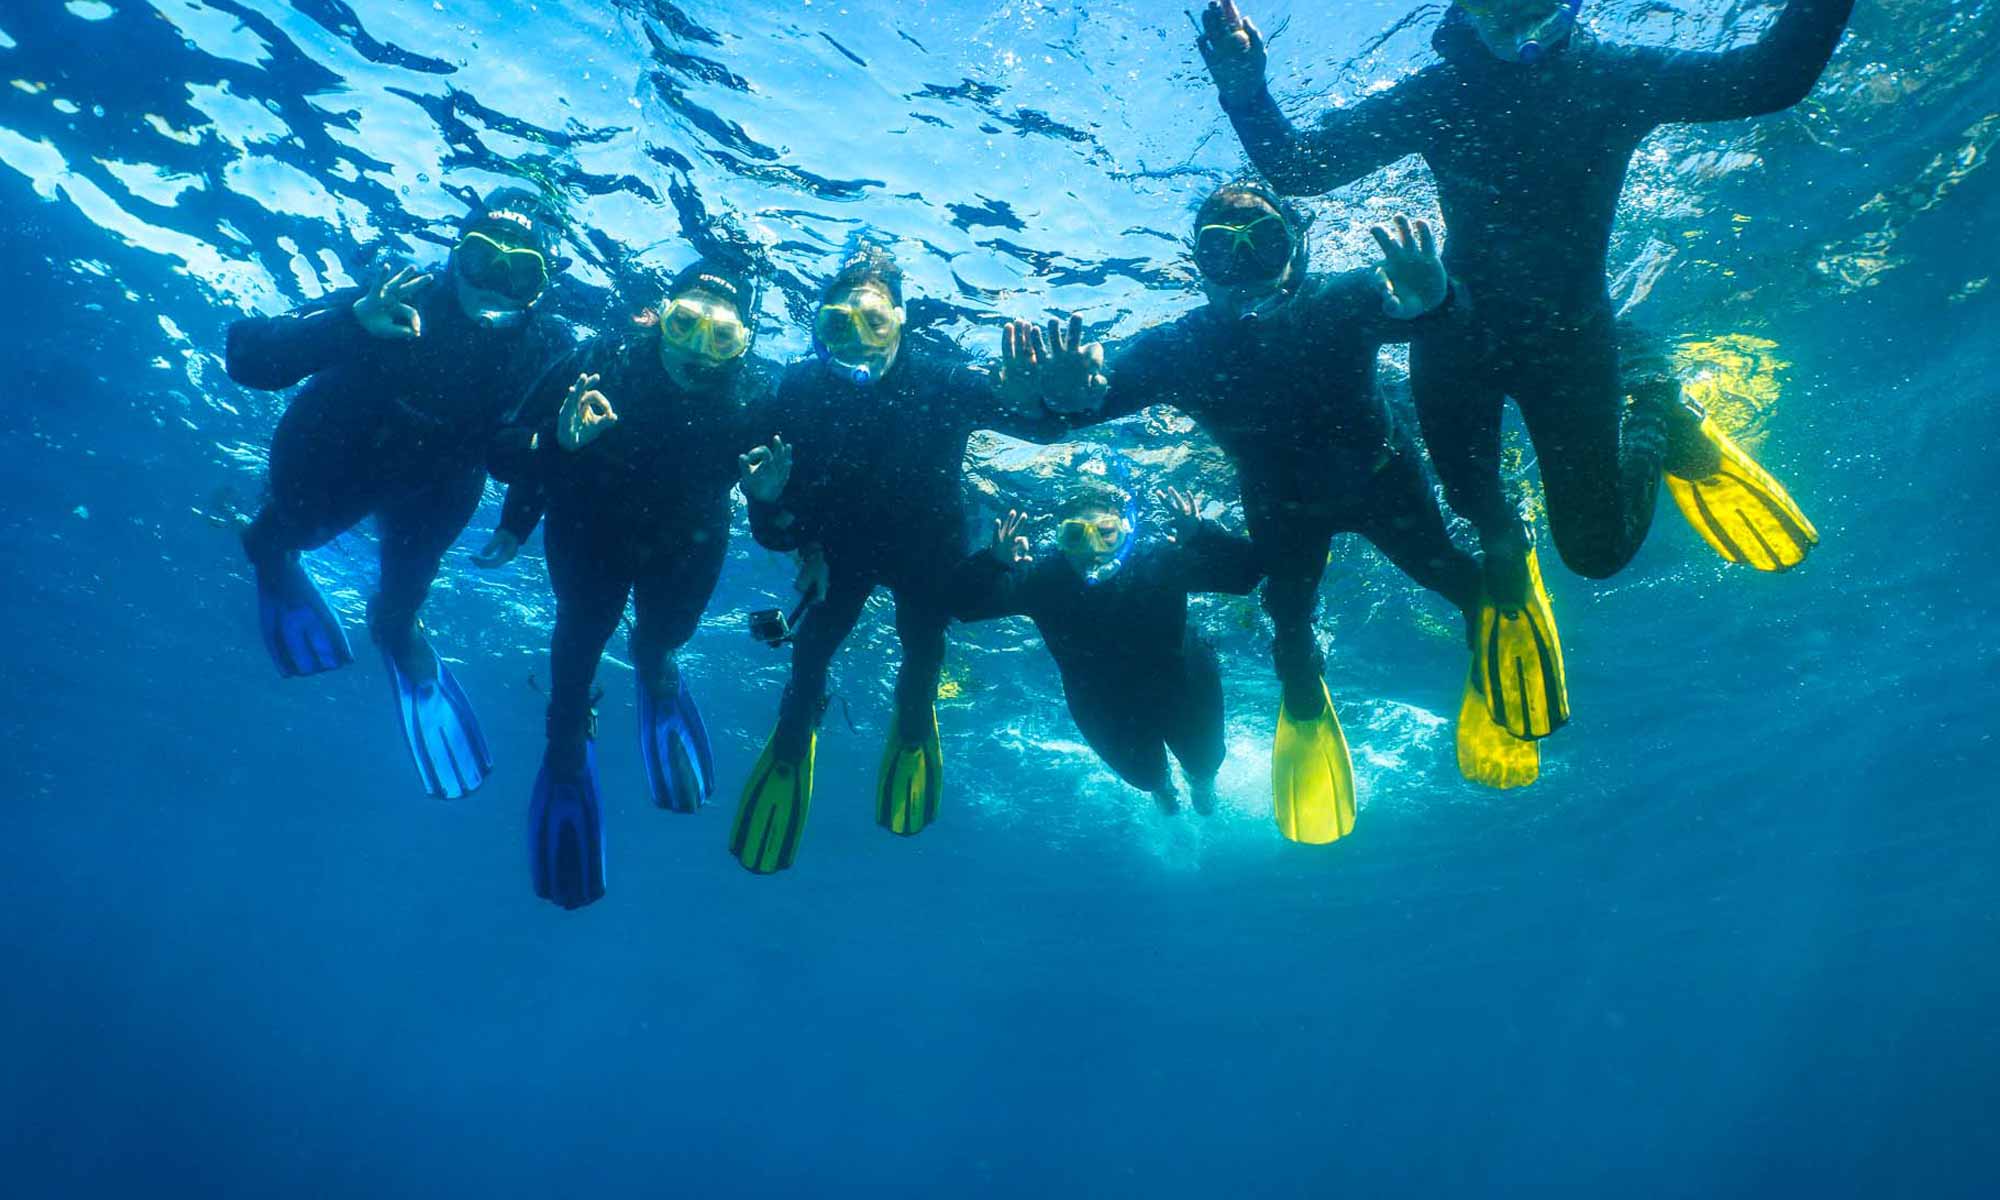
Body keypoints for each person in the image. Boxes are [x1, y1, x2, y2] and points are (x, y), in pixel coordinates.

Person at [1195, 0, 1840, 732]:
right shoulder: (1442, 94)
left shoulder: (1617, 76)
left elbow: (1771, 77)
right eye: (1496, 7)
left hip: (1573, 342)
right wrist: (1244, 87)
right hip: (1456, 335)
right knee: (1484, 519)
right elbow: (1301, 167)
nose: (1518, 23)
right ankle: (1512, 538)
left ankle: (1658, 408)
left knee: (1596, 554)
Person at [727, 244, 1102, 875]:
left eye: (874, 321)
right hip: (837, 549)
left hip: (925, 549)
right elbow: (768, 510)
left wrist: (1053, 400)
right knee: (812, 649)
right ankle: (795, 731)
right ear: (819, 329)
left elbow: (1040, 427)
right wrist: (779, 519)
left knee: (923, 651)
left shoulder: (940, 377)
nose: (857, 340)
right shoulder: (797, 390)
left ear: (902, 319)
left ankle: (911, 720)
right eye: (837, 325)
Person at [229, 186, 572, 800]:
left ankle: (393, 628)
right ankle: (268, 549)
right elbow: (246, 356)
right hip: (334, 457)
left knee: (397, 610)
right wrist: (349, 325)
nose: (493, 281)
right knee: (278, 535)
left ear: (539, 288)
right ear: (452, 257)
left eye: (518, 271)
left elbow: (542, 443)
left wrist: (518, 522)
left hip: (436, 489)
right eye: (480, 258)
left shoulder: (545, 350)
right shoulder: (394, 290)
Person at [481, 260, 767, 910]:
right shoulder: (600, 361)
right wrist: (546, 463)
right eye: (686, 322)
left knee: (664, 638)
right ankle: (564, 742)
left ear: (744, 341)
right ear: (661, 316)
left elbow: (795, 498)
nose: (697, 348)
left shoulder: (754, 396)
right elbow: (501, 451)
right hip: (589, 534)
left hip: (687, 548)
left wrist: (781, 510)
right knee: (577, 645)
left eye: (720, 335)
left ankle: (656, 662)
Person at [951, 485, 1262, 816]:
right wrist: (993, 564)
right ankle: (1163, 790)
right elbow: (964, 607)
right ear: (1060, 541)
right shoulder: (1042, 580)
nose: (1092, 548)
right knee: (1145, 777)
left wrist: (1202, 535)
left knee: (1205, 761)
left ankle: (1201, 784)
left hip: (1181, 680)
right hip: (1101, 700)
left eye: (1106, 533)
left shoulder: (1159, 562)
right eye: (1075, 536)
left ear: (1125, 531)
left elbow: (1246, 575)